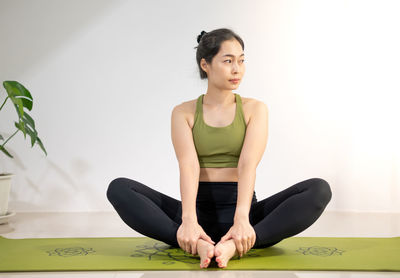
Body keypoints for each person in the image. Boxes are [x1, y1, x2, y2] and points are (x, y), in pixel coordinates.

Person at [106, 28, 332, 269]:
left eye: (241, 61)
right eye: (228, 61)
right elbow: (188, 166)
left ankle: (235, 244)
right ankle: (195, 241)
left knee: (318, 190)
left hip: (243, 213)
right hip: (195, 210)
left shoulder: (255, 109)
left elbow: (247, 165)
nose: (237, 69)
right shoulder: (183, 112)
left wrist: (242, 220)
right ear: (206, 64)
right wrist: (189, 221)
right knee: (119, 189)